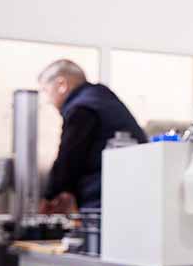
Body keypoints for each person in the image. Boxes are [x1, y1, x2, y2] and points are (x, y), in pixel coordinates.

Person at [37, 59, 147, 212]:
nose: (48, 101)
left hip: (102, 199)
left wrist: (49, 196)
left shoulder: (82, 107)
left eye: (46, 91)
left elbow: (69, 157)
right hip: (135, 192)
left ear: (61, 85)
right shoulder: (102, 98)